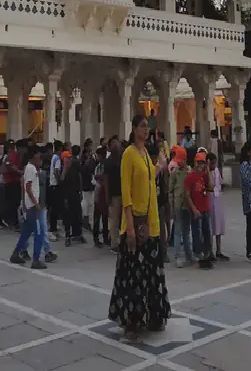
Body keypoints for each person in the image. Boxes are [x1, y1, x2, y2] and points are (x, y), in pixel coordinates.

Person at [108, 114, 171, 341]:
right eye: (142, 126)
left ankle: (153, 316)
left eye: (147, 127)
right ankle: (131, 321)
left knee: (151, 274)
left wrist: (159, 168)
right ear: (134, 129)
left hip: (151, 223)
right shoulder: (129, 155)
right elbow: (126, 194)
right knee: (133, 276)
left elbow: (148, 180)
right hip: (135, 223)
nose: (146, 130)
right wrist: (131, 228)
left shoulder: (145, 154)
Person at [10, 144, 47, 269]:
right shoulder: (31, 169)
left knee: (26, 233)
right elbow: (28, 188)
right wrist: (35, 204)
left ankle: (16, 253)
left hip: (29, 205)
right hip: (32, 207)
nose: (40, 156)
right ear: (33, 156)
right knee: (39, 233)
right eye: (38, 154)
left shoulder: (30, 168)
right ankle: (36, 260)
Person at [184, 150, 214, 269]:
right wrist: (194, 209)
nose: (200, 165)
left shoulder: (204, 175)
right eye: (199, 162)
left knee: (207, 232)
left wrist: (208, 171)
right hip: (196, 209)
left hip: (205, 208)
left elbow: (211, 187)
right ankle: (199, 254)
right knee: (197, 232)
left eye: (202, 162)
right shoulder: (190, 176)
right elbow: (187, 195)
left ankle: (207, 254)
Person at [168, 146, 193, 267]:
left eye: (180, 160)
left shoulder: (189, 171)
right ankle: (178, 256)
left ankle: (189, 255)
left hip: (187, 205)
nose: (178, 162)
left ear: (185, 159)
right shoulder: (174, 173)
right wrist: (171, 206)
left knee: (186, 231)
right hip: (178, 204)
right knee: (177, 231)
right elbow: (170, 191)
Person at [208, 152, 229, 261]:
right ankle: (210, 250)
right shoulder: (206, 173)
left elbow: (220, 183)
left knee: (219, 225)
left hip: (218, 199)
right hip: (210, 200)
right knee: (212, 225)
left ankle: (219, 250)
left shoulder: (216, 171)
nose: (214, 165)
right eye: (211, 163)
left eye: (215, 163)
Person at [62, 146, 85, 245]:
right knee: (69, 215)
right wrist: (65, 169)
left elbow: (80, 177)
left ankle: (77, 234)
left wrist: (80, 191)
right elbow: (62, 180)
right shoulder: (65, 169)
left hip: (75, 193)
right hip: (68, 194)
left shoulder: (75, 165)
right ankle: (68, 236)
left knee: (77, 214)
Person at [152, 142, 171, 263]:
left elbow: (165, 184)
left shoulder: (162, 170)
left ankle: (163, 252)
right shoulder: (149, 169)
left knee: (162, 230)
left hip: (160, 201)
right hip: (150, 203)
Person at [105, 136, 123, 252]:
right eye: (114, 143)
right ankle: (114, 243)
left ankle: (121, 240)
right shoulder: (109, 161)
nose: (117, 145)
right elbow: (106, 180)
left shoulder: (123, 158)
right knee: (114, 219)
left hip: (123, 193)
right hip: (114, 194)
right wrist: (108, 196)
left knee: (123, 219)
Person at [93, 145, 110, 247]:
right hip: (98, 192)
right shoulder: (98, 165)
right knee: (98, 216)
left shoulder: (104, 165)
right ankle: (96, 238)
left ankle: (104, 237)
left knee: (104, 217)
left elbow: (102, 177)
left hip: (102, 192)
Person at [80, 139, 97, 230]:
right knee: (86, 201)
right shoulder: (84, 157)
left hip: (92, 179)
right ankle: (85, 219)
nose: (91, 147)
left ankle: (90, 220)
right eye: (90, 146)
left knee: (91, 202)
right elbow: (83, 168)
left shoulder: (93, 155)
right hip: (86, 180)